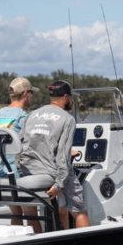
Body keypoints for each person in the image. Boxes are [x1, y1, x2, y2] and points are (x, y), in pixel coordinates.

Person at [17, 80, 90, 232]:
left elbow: (19, 147)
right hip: (52, 172)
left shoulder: (32, 115)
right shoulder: (67, 119)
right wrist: (58, 185)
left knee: (32, 213)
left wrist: (22, 171)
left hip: (29, 171)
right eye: (71, 97)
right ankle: (85, 244)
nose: (71, 100)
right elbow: (63, 157)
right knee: (79, 210)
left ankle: (42, 240)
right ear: (65, 97)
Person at [0, 77, 37, 225]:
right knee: (31, 213)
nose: (32, 96)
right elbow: (35, 145)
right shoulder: (23, 117)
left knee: (16, 212)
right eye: (31, 93)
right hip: (16, 175)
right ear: (26, 94)